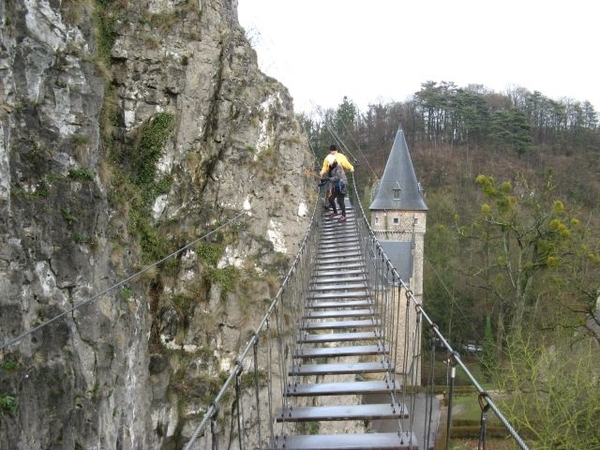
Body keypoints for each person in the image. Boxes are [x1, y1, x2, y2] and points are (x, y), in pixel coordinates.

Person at [322, 154, 348, 222]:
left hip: (341, 185)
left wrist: (328, 179)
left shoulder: (338, 167)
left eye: (330, 162)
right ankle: (335, 212)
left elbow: (337, 178)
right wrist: (325, 180)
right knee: (330, 199)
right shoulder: (331, 167)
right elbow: (330, 177)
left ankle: (344, 216)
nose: (329, 163)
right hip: (336, 186)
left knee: (340, 201)